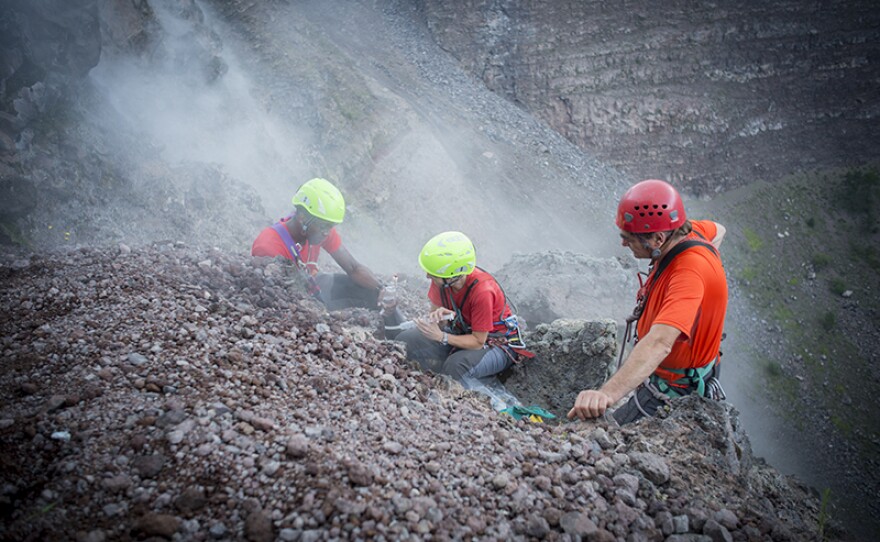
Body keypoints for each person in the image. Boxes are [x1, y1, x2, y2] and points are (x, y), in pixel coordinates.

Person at [568, 179, 728, 425]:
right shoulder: (690, 232)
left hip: (675, 392)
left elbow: (660, 344)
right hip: (671, 377)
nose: (623, 244)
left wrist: (605, 395)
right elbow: (719, 229)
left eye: (630, 239)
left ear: (658, 240)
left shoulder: (689, 272)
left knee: (596, 438)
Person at [396, 231, 530, 385]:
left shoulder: (482, 291)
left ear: (453, 275)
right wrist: (441, 322)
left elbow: (478, 341)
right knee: (405, 340)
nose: (427, 276)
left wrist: (442, 337)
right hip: (462, 332)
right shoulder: (441, 279)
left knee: (456, 366)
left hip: (497, 343)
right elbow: (436, 321)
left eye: (432, 274)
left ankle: (480, 396)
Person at [251, 178, 386, 311]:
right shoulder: (268, 247)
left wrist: (382, 290)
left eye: (331, 226)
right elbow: (279, 298)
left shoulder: (317, 229)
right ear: (302, 217)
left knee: (369, 292)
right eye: (324, 226)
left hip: (309, 287)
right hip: (289, 301)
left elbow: (353, 268)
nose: (327, 233)